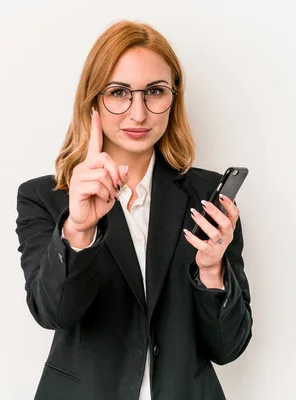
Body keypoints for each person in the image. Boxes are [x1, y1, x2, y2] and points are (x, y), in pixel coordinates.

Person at [15, 20, 252, 400]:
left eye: (155, 92)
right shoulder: (45, 197)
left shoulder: (208, 196)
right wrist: (78, 229)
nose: (138, 113)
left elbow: (229, 348)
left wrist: (212, 269)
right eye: (119, 92)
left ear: (173, 98)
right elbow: (53, 313)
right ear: (93, 99)